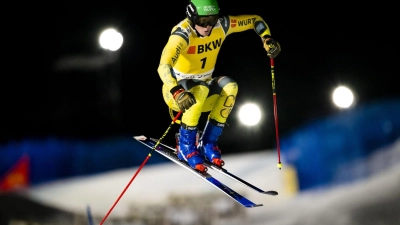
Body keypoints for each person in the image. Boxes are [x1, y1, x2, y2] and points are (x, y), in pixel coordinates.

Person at [157, 0, 281, 173]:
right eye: (202, 22)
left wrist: (266, 38)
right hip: (177, 94)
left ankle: (208, 143)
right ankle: (186, 146)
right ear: (192, 19)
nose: (207, 27)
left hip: (203, 90)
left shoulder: (221, 26)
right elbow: (163, 66)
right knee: (200, 89)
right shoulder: (182, 34)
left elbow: (255, 20)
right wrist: (176, 91)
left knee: (230, 87)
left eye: (212, 20)